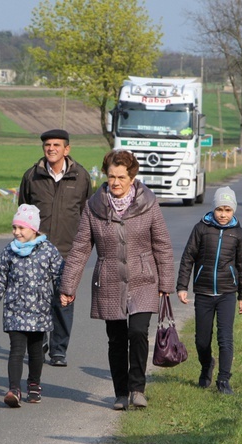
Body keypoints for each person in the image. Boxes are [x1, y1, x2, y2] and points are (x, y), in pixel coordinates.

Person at [59, 149, 174, 410]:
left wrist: (166, 284)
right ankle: (121, 393)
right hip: (109, 281)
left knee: (138, 331)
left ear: (132, 177)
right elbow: (79, 248)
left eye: (121, 177)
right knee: (117, 339)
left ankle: (138, 388)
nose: (116, 182)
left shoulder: (149, 204)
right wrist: (68, 287)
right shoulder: (94, 208)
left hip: (143, 279)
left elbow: (163, 245)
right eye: (111, 176)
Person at [18, 129, 92, 368]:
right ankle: (39, 342)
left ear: (66, 149)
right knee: (36, 300)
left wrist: (85, 246)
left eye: (56, 145)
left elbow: (87, 214)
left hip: (68, 251)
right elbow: (23, 213)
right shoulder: (32, 176)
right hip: (36, 251)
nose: (51, 148)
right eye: (47, 145)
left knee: (63, 301)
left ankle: (58, 350)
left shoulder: (81, 176)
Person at [0, 204, 64, 407]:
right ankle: (14, 389)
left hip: (39, 312)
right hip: (14, 310)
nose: (16, 232)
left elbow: (60, 274)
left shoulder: (48, 251)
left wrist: (64, 293)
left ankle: (34, 384)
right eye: (14, 227)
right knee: (16, 350)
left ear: (34, 229)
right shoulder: (9, 252)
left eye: (21, 228)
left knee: (36, 352)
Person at [176, 186, 242, 395]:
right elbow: (188, 257)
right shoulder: (201, 229)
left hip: (227, 293)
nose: (223, 215)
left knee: (225, 337)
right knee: (201, 340)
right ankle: (207, 365)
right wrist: (182, 286)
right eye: (220, 209)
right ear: (213, 209)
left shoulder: (238, 233)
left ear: (233, 210)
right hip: (204, 292)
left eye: (228, 210)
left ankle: (224, 380)